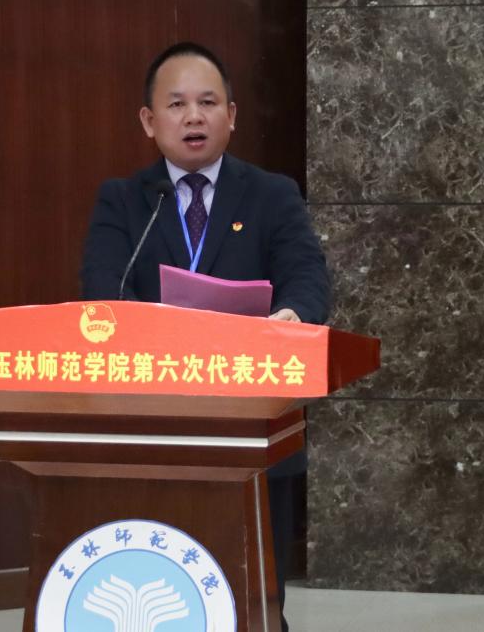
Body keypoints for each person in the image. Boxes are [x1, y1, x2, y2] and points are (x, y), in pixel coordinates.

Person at [80, 41, 331, 631]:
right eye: (176, 104)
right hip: (152, 422)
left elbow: (307, 275)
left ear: (232, 115)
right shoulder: (124, 200)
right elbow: (103, 293)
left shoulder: (271, 194)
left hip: (253, 418)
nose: (193, 116)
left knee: (253, 598)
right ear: (149, 121)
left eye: (208, 102)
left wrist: (292, 316)